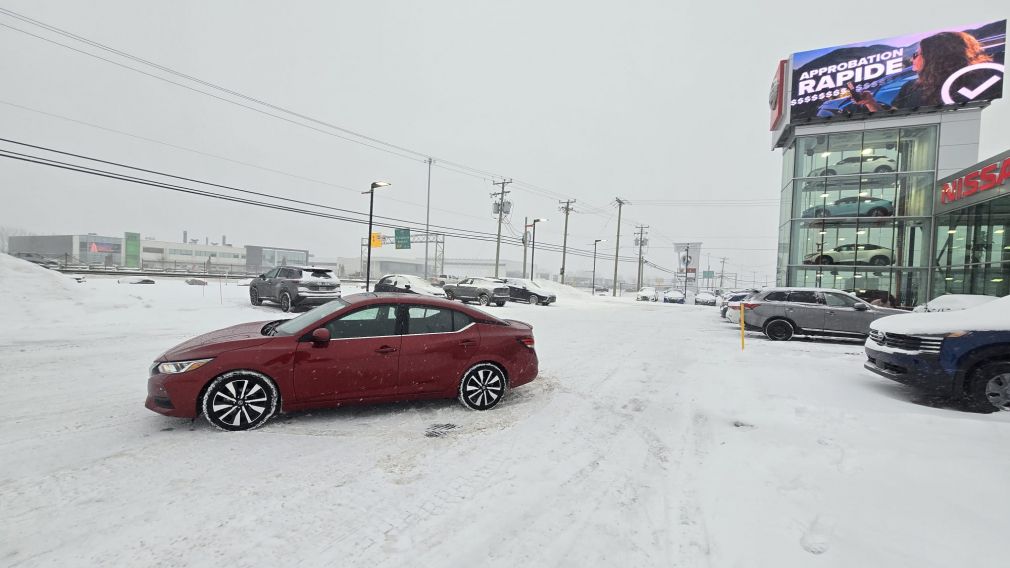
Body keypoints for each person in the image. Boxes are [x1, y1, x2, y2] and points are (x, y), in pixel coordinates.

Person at [852, 31, 993, 111]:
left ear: (933, 58)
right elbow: (890, 122)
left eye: (916, 54)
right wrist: (871, 103)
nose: (912, 59)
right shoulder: (910, 88)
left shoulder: (971, 82)